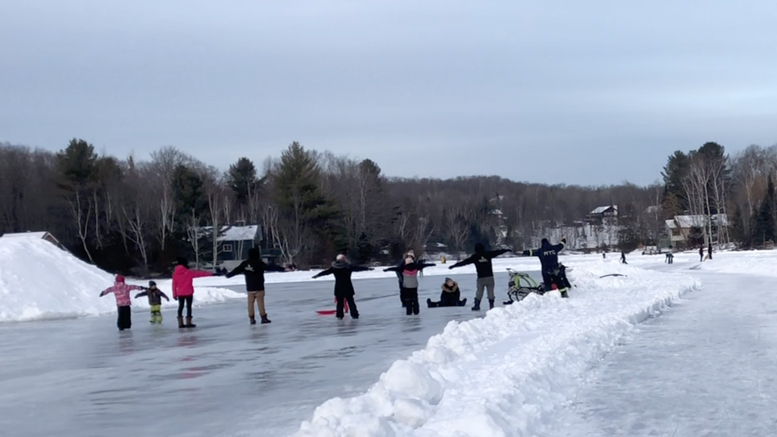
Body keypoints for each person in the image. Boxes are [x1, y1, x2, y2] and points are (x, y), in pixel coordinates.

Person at [226, 248, 286, 325]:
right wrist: (282, 269)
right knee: (260, 303)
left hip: (250, 288)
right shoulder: (259, 263)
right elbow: (270, 267)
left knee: (250, 303)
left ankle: (251, 318)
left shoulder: (245, 263)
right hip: (259, 287)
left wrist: (229, 275)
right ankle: (263, 318)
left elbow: (237, 270)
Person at [448, 243, 510, 311]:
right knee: (490, 292)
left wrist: (454, 266)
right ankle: (491, 306)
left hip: (481, 278)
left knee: (479, 292)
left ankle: (477, 306)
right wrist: (506, 250)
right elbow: (498, 252)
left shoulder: (475, 257)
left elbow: (464, 262)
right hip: (490, 277)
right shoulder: (488, 254)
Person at [312, 254, 372, 320]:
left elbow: (326, 272)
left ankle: (339, 315)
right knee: (351, 301)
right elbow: (357, 268)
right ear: (343, 259)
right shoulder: (347, 267)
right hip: (347, 287)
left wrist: (317, 275)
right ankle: (354, 314)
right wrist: (367, 268)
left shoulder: (334, 267)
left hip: (338, 287)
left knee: (340, 302)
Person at [172, 258, 212, 328]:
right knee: (188, 307)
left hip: (180, 293)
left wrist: (174, 294)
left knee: (180, 307)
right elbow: (200, 273)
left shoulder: (175, 274)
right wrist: (211, 274)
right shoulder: (188, 272)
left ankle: (180, 323)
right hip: (188, 292)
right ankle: (188, 323)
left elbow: (174, 285)